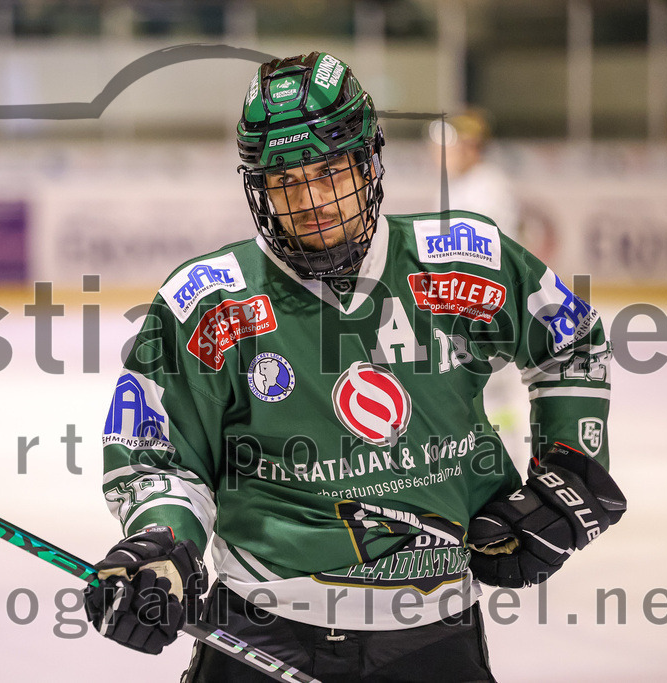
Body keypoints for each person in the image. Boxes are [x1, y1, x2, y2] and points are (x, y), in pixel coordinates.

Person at [83, 52, 626, 682]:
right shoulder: (210, 302)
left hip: (432, 634)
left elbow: (574, 342)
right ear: (256, 188)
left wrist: (570, 473)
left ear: (368, 161)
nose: (312, 199)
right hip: (261, 631)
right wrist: (164, 547)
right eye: (286, 181)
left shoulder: (464, 260)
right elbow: (158, 456)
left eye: (329, 170)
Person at [428, 110, 530, 472]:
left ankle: (506, 467)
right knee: (480, 393)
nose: (437, 153)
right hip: (471, 309)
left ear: (469, 146)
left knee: (492, 393)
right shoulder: (464, 185)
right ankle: (495, 464)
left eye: (445, 145)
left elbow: (483, 260)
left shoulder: (486, 190)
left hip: (486, 310)